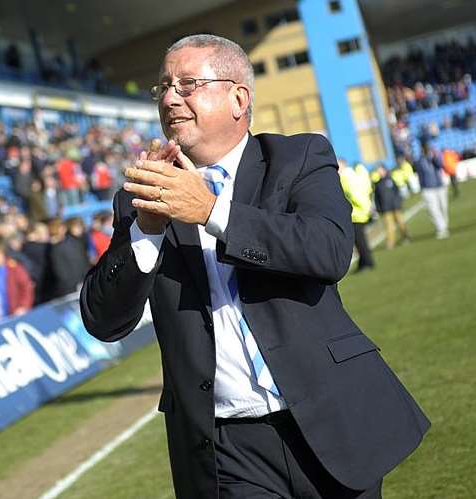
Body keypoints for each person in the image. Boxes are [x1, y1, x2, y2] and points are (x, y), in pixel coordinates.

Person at [80, 34, 429, 499]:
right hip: (225, 447)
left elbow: (329, 251)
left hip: (326, 419)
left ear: (237, 98)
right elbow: (103, 320)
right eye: (163, 87)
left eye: (188, 84)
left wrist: (211, 211)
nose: (169, 97)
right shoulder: (141, 197)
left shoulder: (298, 156)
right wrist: (146, 232)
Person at [339, 159, 375, 272]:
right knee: (359, 241)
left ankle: (367, 263)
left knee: (360, 241)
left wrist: (365, 208)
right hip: (358, 213)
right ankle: (363, 262)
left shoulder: (345, 177)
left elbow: (354, 194)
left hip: (356, 214)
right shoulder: (351, 175)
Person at [0, 242, 34, 317]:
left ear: (3, 255)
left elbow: (26, 288)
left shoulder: (14, 268)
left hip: (15, 313)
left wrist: (23, 306)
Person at [415, 144, 449, 239]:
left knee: (443, 207)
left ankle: (444, 226)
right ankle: (441, 228)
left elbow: (440, 165)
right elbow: (417, 169)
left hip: (439, 186)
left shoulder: (435, 158)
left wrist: (434, 157)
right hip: (428, 189)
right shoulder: (420, 161)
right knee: (433, 210)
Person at [373, 165, 410, 250]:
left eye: (380, 170)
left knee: (401, 223)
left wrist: (398, 203)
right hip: (385, 208)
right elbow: (377, 198)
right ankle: (390, 243)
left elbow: (397, 192)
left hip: (395, 206)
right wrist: (379, 208)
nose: (379, 172)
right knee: (389, 226)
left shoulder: (391, 180)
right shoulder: (377, 183)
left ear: (384, 170)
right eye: (378, 171)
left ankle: (405, 237)